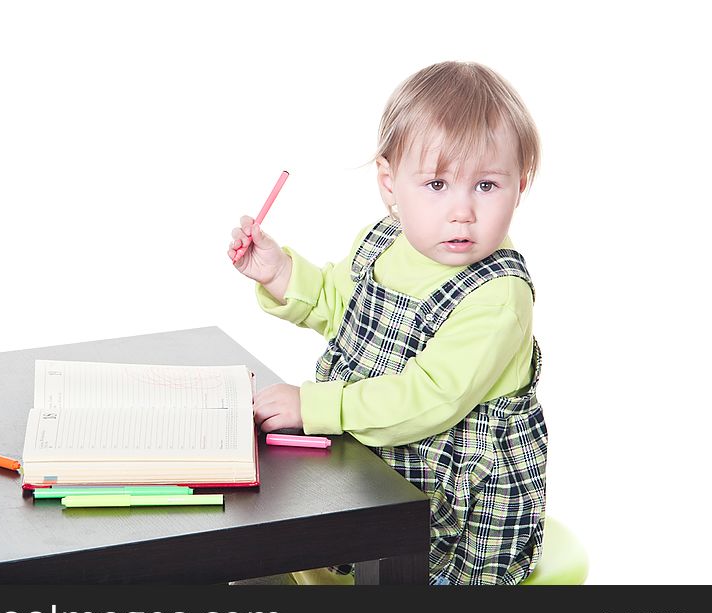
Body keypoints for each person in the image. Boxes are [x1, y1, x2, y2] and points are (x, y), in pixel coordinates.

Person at [227, 61, 547, 585]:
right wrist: (280, 271)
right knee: (254, 521)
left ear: (520, 186)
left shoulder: (498, 296)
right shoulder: (382, 243)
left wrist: (314, 404)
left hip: (457, 521)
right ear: (390, 184)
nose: (462, 210)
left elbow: (429, 398)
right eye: (438, 183)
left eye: (487, 185)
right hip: (376, 475)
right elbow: (340, 304)